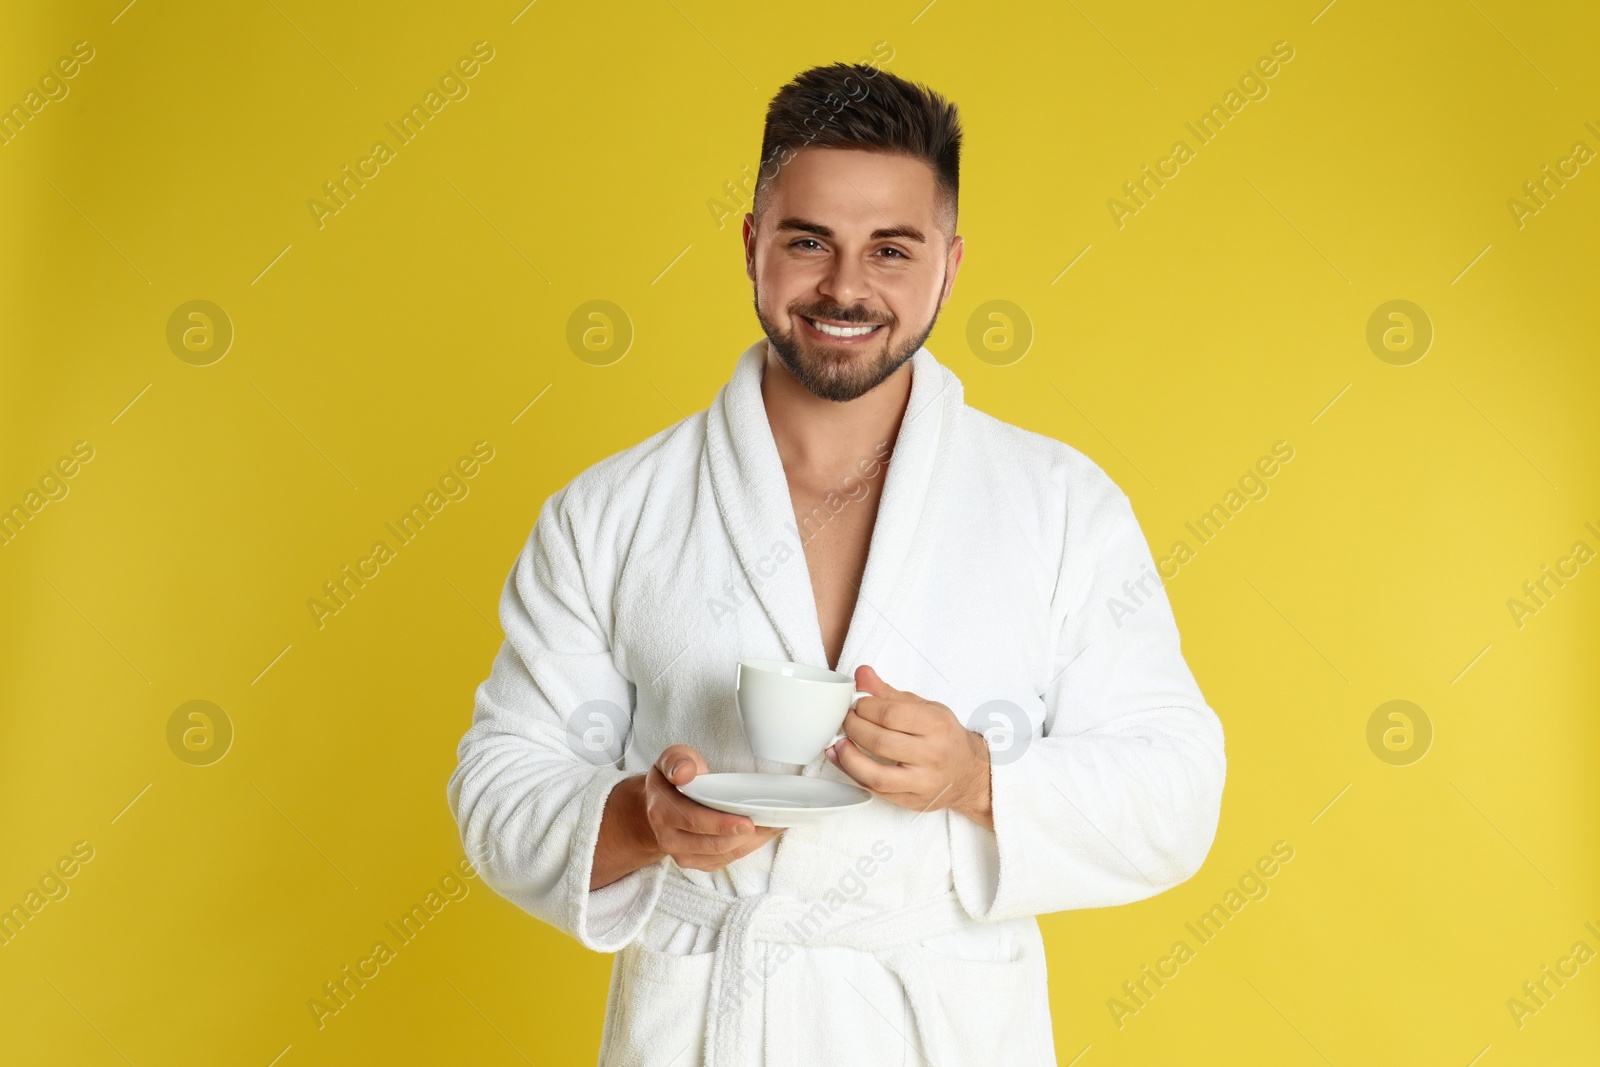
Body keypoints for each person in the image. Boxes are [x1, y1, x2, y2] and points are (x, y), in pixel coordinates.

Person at [448, 60, 1226, 1066]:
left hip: (941, 1023)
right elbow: (499, 782)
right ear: (750, 247)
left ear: (948, 264)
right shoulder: (610, 512)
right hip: (705, 1021)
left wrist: (975, 775)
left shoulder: (1057, 505)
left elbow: (1177, 789)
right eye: (808, 241)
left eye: (889, 250)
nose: (845, 287)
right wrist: (641, 818)